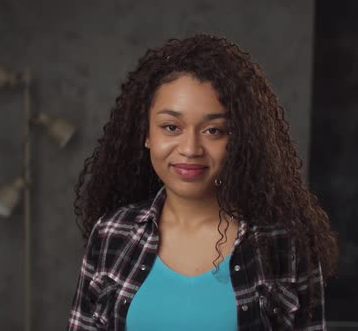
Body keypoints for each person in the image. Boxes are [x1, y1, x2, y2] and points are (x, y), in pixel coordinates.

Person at [67, 34, 338, 331]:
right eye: (171, 127)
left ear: (237, 140)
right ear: (146, 134)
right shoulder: (111, 235)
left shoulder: (285, 242)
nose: (190, 148)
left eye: (213, 130)